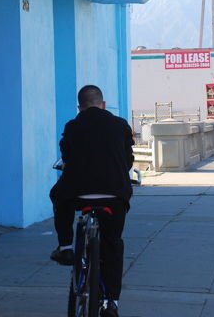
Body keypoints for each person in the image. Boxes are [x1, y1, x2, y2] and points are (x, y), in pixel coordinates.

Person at [49, 85, 134, 317]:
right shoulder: (120, 125)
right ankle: (111, 303)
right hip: (114, 195)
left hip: (78, 193)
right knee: (113, 244)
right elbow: (128, 160)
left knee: (58, 195)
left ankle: (66, 247)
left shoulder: (72, 126)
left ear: (80, 107)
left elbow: (66, 157)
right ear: (103, 104)